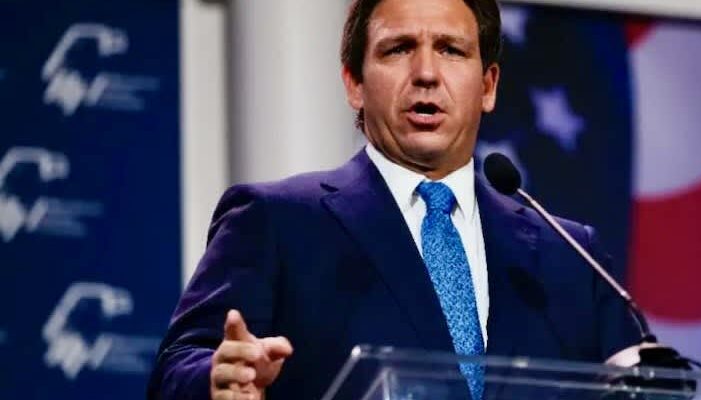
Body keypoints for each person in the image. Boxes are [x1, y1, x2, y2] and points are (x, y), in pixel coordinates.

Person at [148, 0, 641, 399]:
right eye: (399, 48)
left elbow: (644, 384)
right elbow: (179, 367)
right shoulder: (276, 221)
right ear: (354, 84)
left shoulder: (571, 256)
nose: (426, 72)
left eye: (451, 50)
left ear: (488, 86)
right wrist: (216, 380)